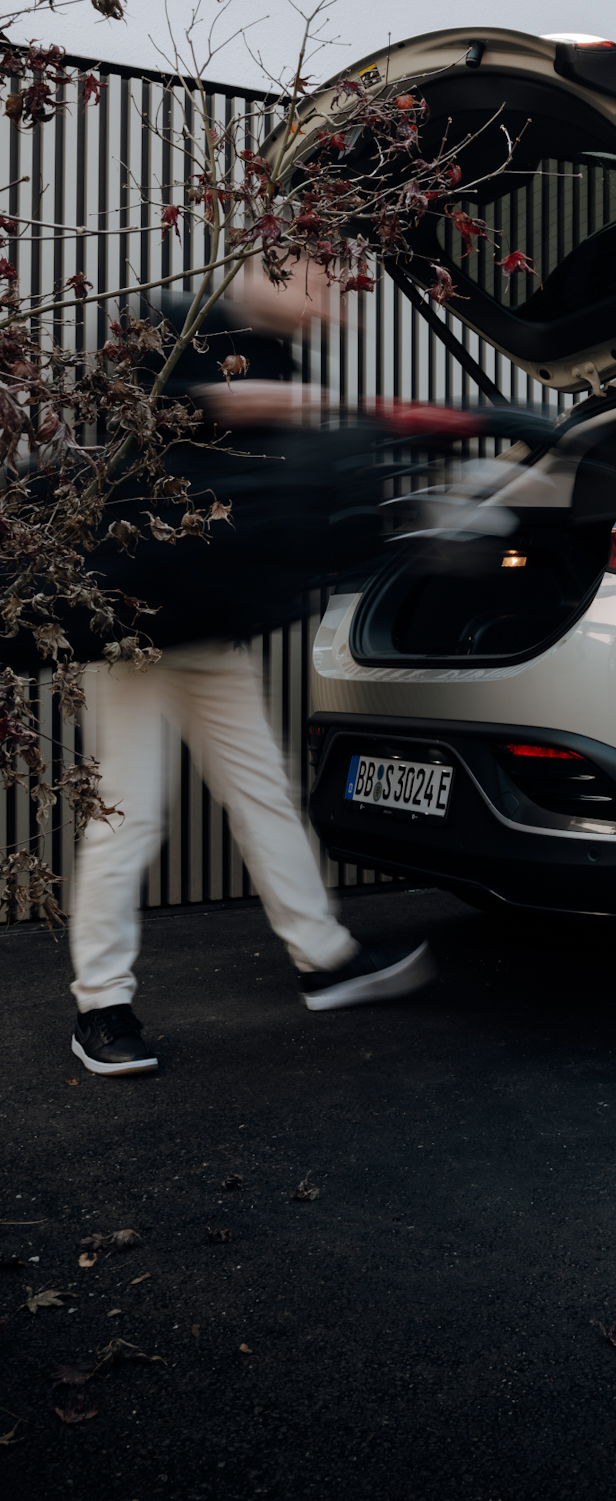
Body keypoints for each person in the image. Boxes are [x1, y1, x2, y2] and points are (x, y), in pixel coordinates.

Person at [68, 264, 439, 1076]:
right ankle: (101, 1006)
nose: (331, 301)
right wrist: (312, 408)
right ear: (268, 269)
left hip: (212, 630)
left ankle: (325, 958)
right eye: (320, 282)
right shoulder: (178, 321)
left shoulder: (289, 360)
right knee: (127, 813)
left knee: (263, 792)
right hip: (137, 624)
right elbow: (168, 409)